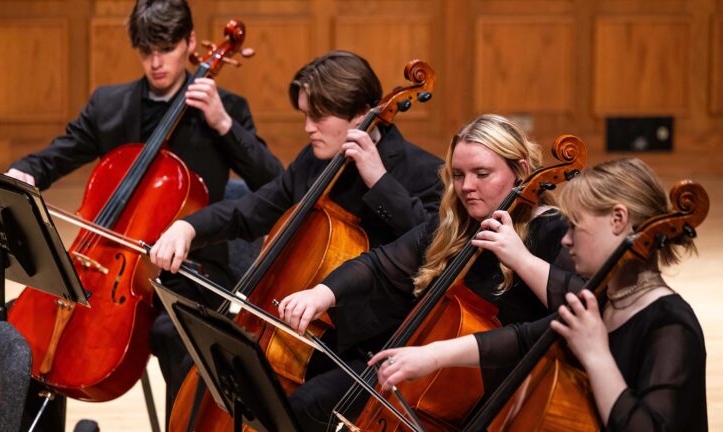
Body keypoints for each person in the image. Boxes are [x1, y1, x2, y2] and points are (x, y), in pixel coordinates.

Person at [4, 0, 283, 426]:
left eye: (167, 48)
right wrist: (24, 172)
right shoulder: (109, 105)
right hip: (107, 266)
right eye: (146, 50)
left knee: (174, 335)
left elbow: (274, 185)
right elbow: (59, 154)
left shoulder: (224, 108)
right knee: (24, 327)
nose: (156, 62)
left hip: (193, 269)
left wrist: (224, 124)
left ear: (190, 44)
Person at [150, 50, 444, 431]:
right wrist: (187, 228)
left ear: (361, 115)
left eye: (318, 117)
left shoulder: (423, 172)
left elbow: (435, 249)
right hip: (299, 328)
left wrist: (380, 181)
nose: (308, 128)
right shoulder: (316, 158)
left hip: (367, 346)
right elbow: (253, 208)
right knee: (193, 347)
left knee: (300, 404)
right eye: (305, 115)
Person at [277, 114, 573, 430]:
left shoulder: (555, 232)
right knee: (308, 404)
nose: (467, 187)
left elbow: (581, 303)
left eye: (482, 174)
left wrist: (521, 259)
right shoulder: (456, 225)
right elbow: (379, 265)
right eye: (458, 175)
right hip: (417, 378)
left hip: (489, 396)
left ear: (522, 172)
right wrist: (321, 293)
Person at [371, 158, 707, 431]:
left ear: (618, 219)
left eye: (576, 225)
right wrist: (431, 356)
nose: (565, 240)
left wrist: (595, 354)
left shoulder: (670, 325)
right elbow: (522, 339)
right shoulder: (605, 299)